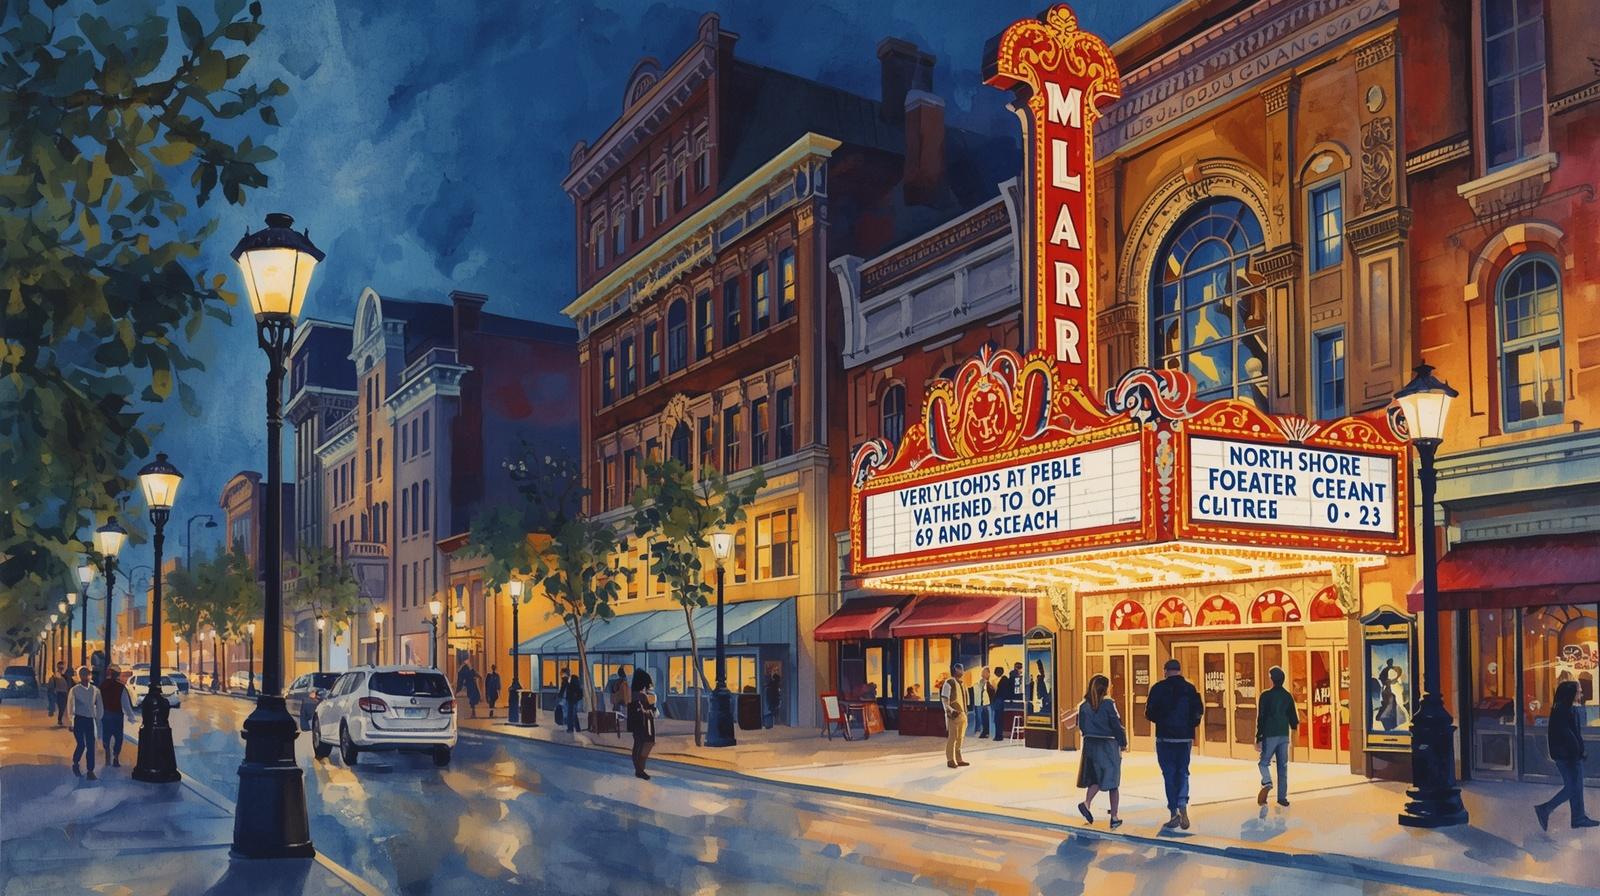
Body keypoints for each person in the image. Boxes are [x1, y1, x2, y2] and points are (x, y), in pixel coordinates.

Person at [1145, 658, 1202, 830]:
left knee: (1169, 774)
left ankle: (1173, 812)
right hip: (1184, 738)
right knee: (1183, 771)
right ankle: (1182, 803)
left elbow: (1149, 713)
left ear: (1165, 671)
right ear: (1179, 670)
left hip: (1165, 737)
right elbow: (1199, 711)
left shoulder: (1158, 688)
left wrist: (1162, 721)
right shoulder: (1190, 689)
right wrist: (1190, 725)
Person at [1536, 680, 1597, 830]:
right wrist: (1579, 751)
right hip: (1568, 756)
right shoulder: (1564, 710)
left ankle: (1578, 817)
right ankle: (1545, 809)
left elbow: (1573, 734)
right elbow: (1569, 735)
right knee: (1573, 787)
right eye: (1579, 691)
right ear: (1571, 693)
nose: (1581, 694)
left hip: (1568, 754)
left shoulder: (1565, 708)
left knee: (1576, 786)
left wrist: (1579, 750)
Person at [1070, 674, 1128, 829]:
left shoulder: (1083, 706)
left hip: (1090, 744)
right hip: (1108, 744)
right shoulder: (1109, 703)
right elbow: (1116, 724)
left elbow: (1081, 726)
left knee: (1095, 777)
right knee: (1113, 781)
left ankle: (1087, 803)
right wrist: (1123, 742)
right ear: (1105, 688)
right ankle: (1114, 817)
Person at [1255, 665, 1298, 807]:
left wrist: (1259, 736)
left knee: (1263, 763)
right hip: (1284, 735)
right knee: (1282, 766)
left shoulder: (1265, 696)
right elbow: (1293, 717)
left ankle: (1267, 782)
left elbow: (1261, 717)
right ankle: (1282, 797)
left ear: (1272, 679)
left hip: (1270, 734)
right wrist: (1294, 730)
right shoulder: (1287, 696)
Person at [68, 666, 104, 779]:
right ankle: (75, 762)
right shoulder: (75, 690)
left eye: (87, 674)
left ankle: (90, 770)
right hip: (79, 720)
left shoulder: (95, 690)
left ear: (90, 675)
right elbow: (70, 706)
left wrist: (98, 718)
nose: (85, 677)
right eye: (82, 675)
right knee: (81, 744)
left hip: (89, 720)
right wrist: (71, 722)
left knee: (90, 745)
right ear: (79, 676)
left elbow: (100, 706)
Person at [98, 664, 136, 768]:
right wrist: (131, 716)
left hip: (106, 715)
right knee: (118, 737)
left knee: (106, 735)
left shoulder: (102, 686)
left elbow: (98, 702)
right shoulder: (121, 687)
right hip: (117, 715)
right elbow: (125, 704)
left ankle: (107, 755)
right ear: (117, 674)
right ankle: (115, 757)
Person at [939, 662, 969, 769]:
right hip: (954, 715)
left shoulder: (962, 683)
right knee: (952, 738)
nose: (963, 671)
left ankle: (959, 759)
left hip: (962, 714)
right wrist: (950, 711)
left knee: (960, 738)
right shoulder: (949, 682)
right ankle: (950, 760)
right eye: (961, 670)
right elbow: (944, 700)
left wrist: (965, 713)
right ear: (956, 671)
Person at [627, 668, 656, 780]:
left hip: (635, 723)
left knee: (637, 745)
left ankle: (639, 769)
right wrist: (650, 710)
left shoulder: (632, 695)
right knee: (642, 745)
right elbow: (649, 709)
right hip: (642, 723)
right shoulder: (641, 696)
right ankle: (640, 770)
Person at [971, 667, 995, 739]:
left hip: (984, 703)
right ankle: (980, 731)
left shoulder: (988, 682)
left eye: (987, 673)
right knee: (980, 718)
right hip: (980, 703)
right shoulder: (981, 682)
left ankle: (985, 732)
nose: (987, 674)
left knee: (984, 718)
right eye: (985, 672)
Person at [609, 666, 632, 739]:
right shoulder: (628, 682)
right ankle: (625, 728)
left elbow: (615, 690)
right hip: (626, 701)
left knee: (618, 717)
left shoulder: (619, 682)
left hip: (619, 701)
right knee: (625, 716)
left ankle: (619, 730)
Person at [992, 666, 1011, 741]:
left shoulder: (1001, 680)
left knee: (998, 719)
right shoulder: (1004, 679)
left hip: (999, 700)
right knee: (998, 718)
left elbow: (997, 691)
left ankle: (998, 736)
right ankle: (999, 735)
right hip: (1000, 701)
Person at [562, 668, 584, 732]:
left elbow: (576, 689)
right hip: (570, 699)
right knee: (573, 714)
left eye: (563, 674)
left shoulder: (573, 678)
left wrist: (575, 697)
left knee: (571, 714)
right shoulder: (566, 680)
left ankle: (571, 728)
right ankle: (576, 728)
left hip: (573, 699)